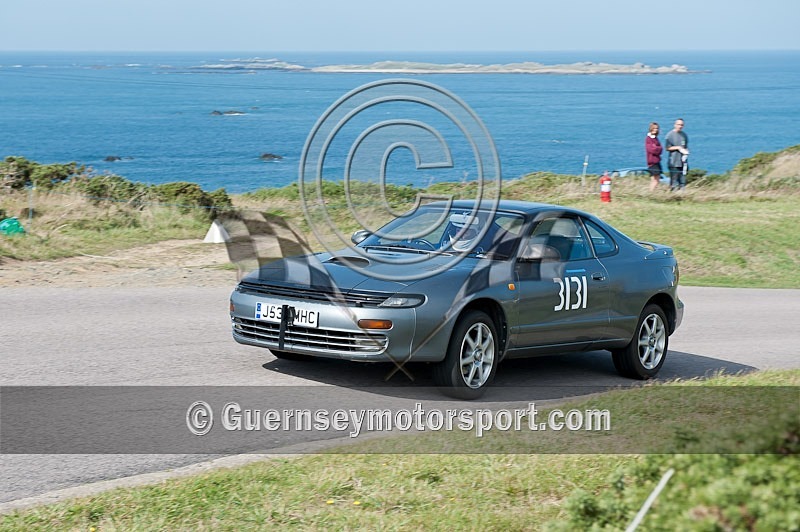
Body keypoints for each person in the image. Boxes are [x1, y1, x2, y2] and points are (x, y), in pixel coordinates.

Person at [665, 118, 689, 191]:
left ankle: (682, 196)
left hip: (682, 162)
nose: (680, 126)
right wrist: (678, 148)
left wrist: (686, 151)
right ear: (675, 125)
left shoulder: (684, 135)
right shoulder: (670, 135)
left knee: (682, 182)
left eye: (682, 125)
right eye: (678, 124)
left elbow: (685, 146)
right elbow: (667, 148)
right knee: (674, 182)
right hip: (673, 162)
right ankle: (672, 197)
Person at [645, 122, 664, 191]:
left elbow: (660, 149)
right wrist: (657, 148)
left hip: (657, 161)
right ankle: (651, 192)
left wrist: (657, 148)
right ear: (651, 129)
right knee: (655, 180)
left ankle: (652, 192)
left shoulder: (655, 138)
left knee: (656, 179)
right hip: (652, 162)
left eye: (657, 128)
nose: (655, 130)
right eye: (654, 128)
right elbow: (652, 150)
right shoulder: (648, 138)